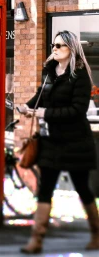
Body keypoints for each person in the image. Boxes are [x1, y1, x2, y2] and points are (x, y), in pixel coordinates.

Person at [19, 30, 99, 254]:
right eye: (53, 45)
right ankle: (37, 239)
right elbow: (39, 97)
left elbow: (77, 110)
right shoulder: (49, 72)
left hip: (76, 141)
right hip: (51, 140)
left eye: (59, 46)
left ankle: (97, 233)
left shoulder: (80, 76)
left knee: (83, 189)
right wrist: (27, 107)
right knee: (45, 190)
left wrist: (44, 113)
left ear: (71, 49)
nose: (54, 49)